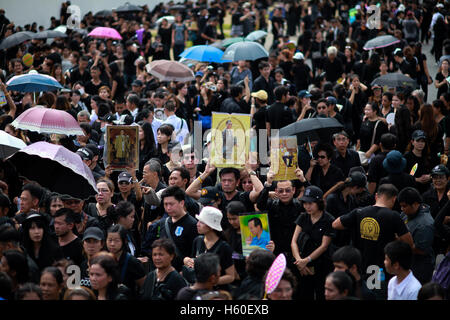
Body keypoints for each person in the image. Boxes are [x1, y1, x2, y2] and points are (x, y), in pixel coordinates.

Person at [332, 184, 414, 283]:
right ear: (394, 199)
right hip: (380, 269)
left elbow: (335, 224)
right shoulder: (394, 216)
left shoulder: (359, 212)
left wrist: (355, 226)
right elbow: (409, 243)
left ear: (376, 196)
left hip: (359, 267)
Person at [291, 185, 335, 300]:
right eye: (305, 203)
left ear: (319, 203)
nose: (307, 206)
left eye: (310, 203)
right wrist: (299, 261)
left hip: (322, 265)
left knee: (321, 294)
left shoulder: (328, 220)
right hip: (302, 266)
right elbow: (293, 241)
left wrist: (307, 260)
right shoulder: (303, 217)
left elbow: (324, 246)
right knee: (304, 294)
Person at [184, 206, 235, 286]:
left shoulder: (224, 247)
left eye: (202, 222)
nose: (198, 224)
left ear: (211, 226)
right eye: (198, 221)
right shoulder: (198, 240)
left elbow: (231, 276)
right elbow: (192, 259)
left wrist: (209, 282)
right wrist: (187, 260)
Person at [152, 186, 198, 272]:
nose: (168, 208)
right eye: (166, 204)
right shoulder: (162, 223)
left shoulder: (192, 224)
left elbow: (194, 255)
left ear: (181, 203)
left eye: (171, 204)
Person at [398, 187, 435, 284]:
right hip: (408, 261)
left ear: (415, 204)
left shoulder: (425, 225)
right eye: (401, 206)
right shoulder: (406, 213)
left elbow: (421, 250)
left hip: (420, 266)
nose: (402, 209)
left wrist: (400, 240)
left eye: (404, 206)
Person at [105, 224, 146, 298]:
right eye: (110, 240)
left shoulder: (133, 262)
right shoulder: (103, 259)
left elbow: (144, 287)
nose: (112, 244)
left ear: (124, 241)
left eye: (116, 241)